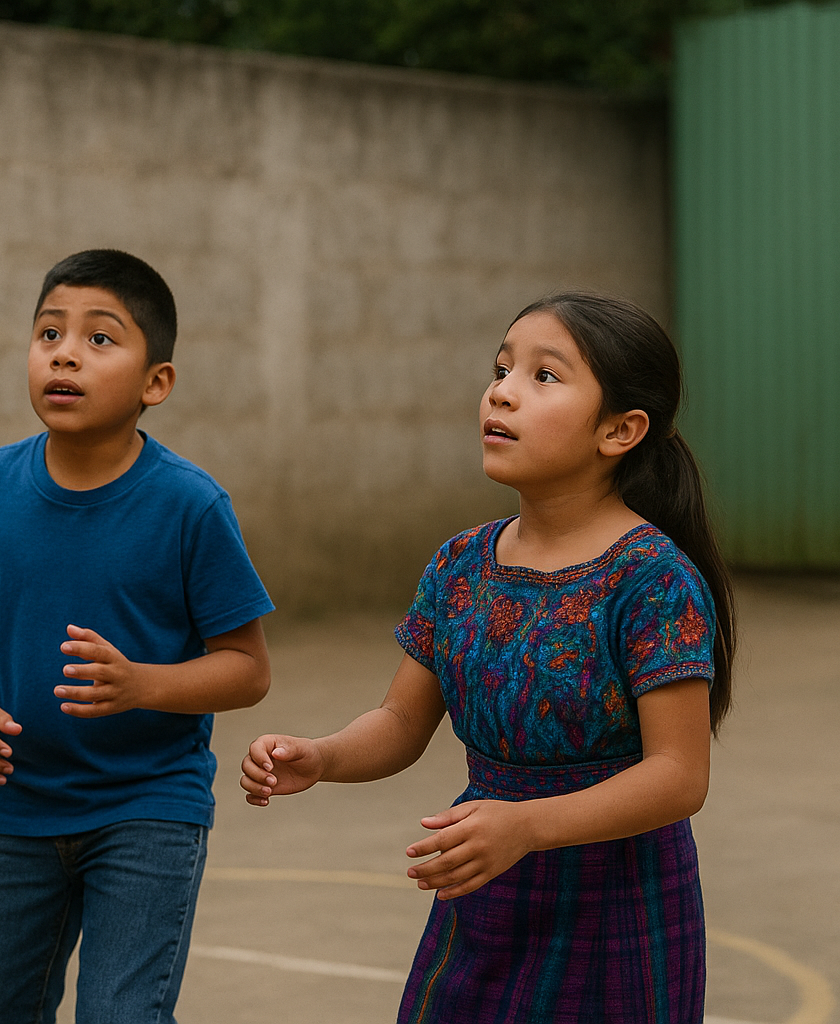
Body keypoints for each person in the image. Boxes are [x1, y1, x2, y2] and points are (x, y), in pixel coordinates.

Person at [241, 292, 736, 1024]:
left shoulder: (652, 579)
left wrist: (528, 825)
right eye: (502, 368)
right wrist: (323, 756)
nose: (501, 390)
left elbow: (678, 776)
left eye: (544, 376)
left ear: (620, 430)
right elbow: (401, 720)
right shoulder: (461, 563)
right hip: (483, 891)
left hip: (618, 901)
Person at [0, 249, 275, 1024]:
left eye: (100, 338)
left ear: (157, 384)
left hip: (149, 806)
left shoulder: (190, 506)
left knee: (120, 1013)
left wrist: (143, 684)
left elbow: (247, 669)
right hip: (20, 805)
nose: (66, 352)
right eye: (49, 333)